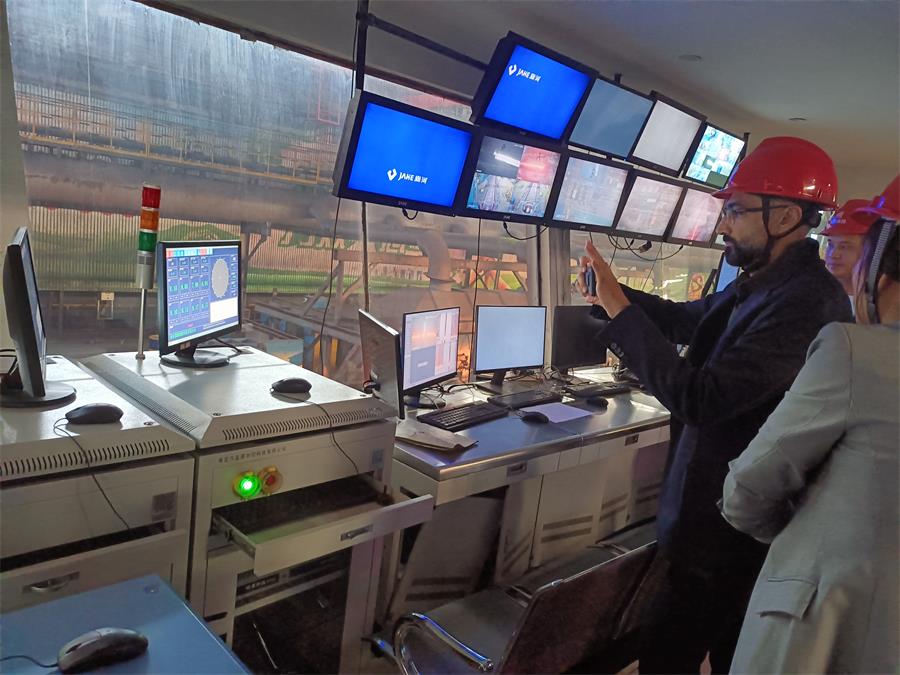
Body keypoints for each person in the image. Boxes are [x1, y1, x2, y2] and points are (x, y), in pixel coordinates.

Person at [577, 137, 853, 673]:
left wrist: (619, 311)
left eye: (735, 210)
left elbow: (701, 399)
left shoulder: (806, 303)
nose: (722, 225)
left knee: (673, 657)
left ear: (785, 217)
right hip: (712, 521)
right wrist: (613, 295)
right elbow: (686, 320)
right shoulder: (765, 283)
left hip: (729, 535)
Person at [721, 174, 899, 674]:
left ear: (878, 268)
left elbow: (748, 488)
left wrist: (795, 535)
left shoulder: (855, 349)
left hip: (823, 629)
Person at [821, 198, 876, 304]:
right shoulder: (812, 297)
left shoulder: (886, 307)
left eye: (844, 247)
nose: (833, 255)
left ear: (872, 250)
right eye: (830, 245)